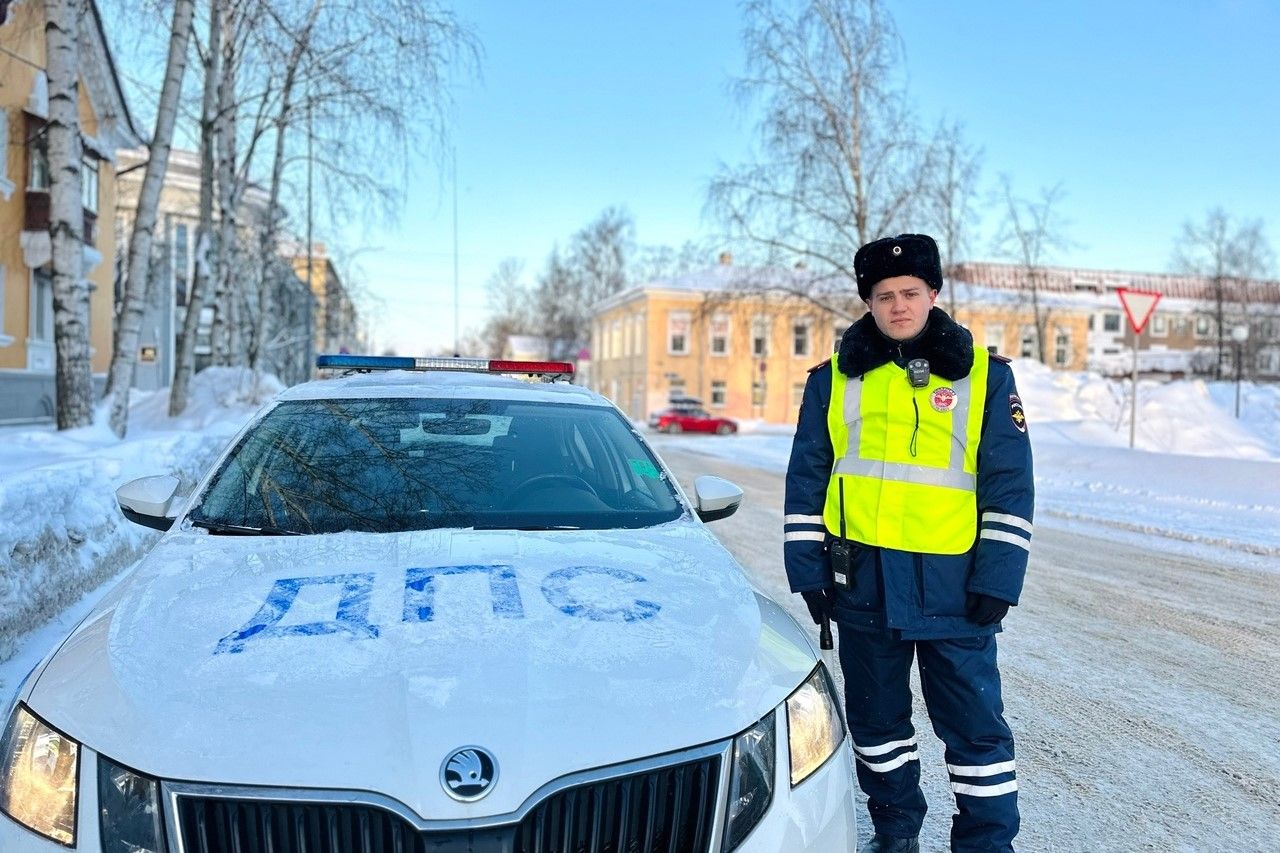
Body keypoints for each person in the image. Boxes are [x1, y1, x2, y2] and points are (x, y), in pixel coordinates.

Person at [784, 233, 1033, 853]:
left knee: (976, 735)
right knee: (878, 729)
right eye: (885, 295)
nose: (898, 305)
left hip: (957, 590)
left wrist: (998, 579)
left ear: (933, 294)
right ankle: (896, 836)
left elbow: (1009, 484)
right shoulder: (832, 380)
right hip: (863, 586)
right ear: (868, 302)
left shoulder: (987, 377)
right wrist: (810, 572)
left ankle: (986, 845)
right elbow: (808, 477)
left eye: (911, 292)